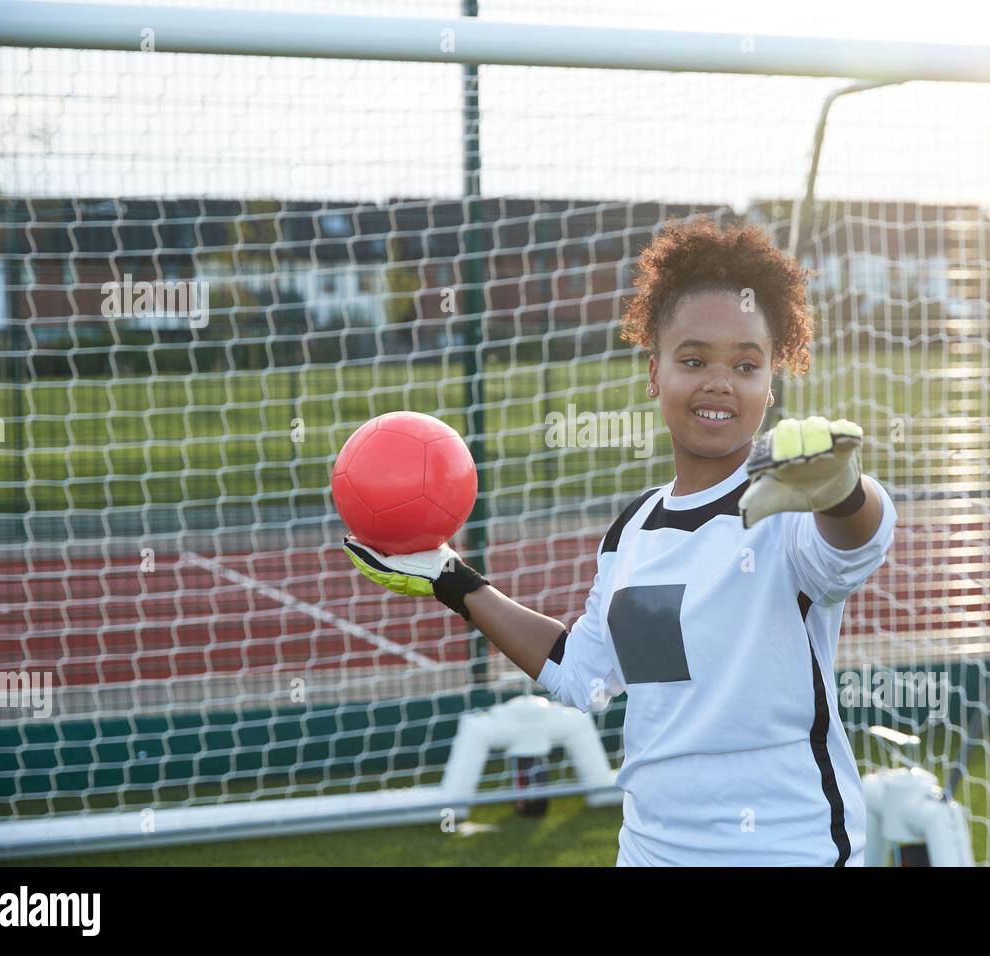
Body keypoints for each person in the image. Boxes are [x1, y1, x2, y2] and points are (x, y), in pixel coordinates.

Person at [345, 217, 897, 865]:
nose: (720, 381)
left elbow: (857, 539)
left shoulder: (791, 501)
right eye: (693, 359)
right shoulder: (632, 532)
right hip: (650, 852)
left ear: (770, 383)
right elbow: (584, 674)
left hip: (787, 850)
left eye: (746, 365)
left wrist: (842, 489)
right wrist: (452, 579)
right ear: (654, 372)